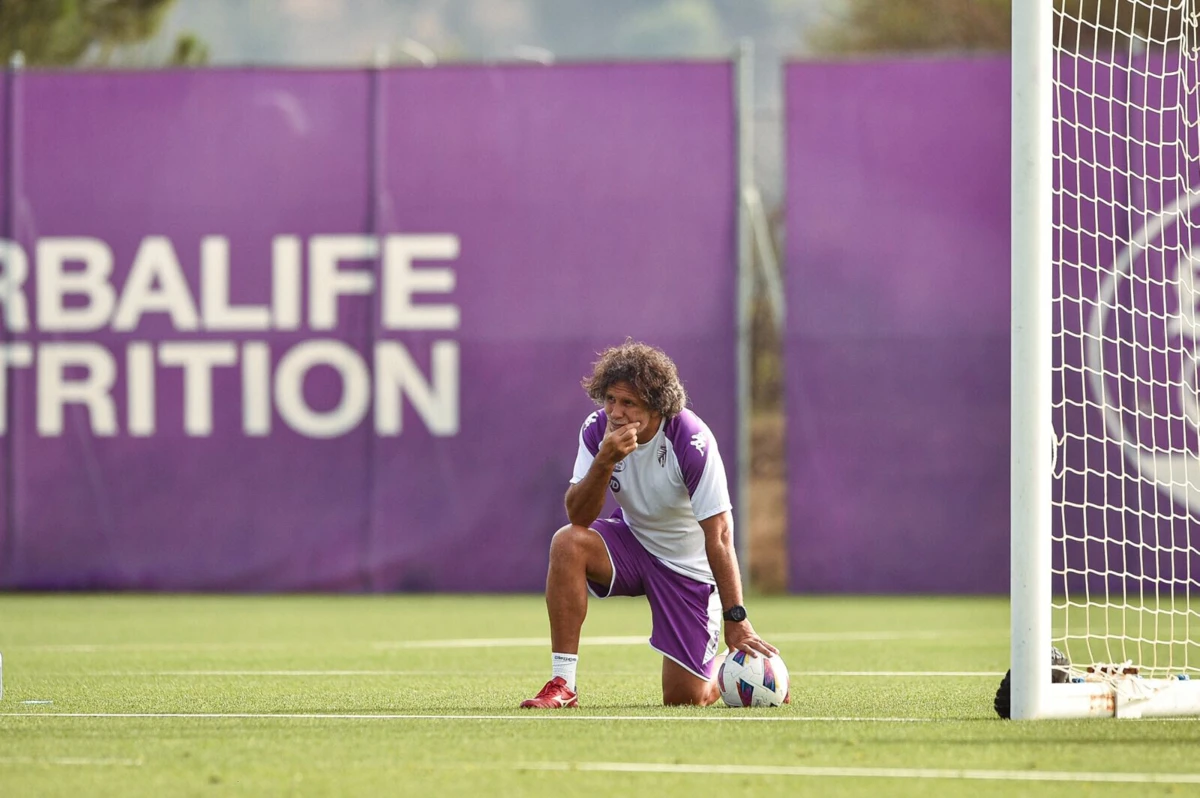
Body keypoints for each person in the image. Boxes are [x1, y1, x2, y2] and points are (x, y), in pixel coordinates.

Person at [520, 340, 777, 708]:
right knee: (568, 542)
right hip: (633, 543)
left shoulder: (691, 440)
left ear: (657, 406)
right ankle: (563, 683)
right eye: (610, 399)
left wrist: (736, 617)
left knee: (685, 698)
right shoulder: (596, 431)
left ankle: (750, 669)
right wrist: (604, 460)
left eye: (629, 403)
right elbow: (579, 516)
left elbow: (719, 535)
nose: (616, 412)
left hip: (687, 569)